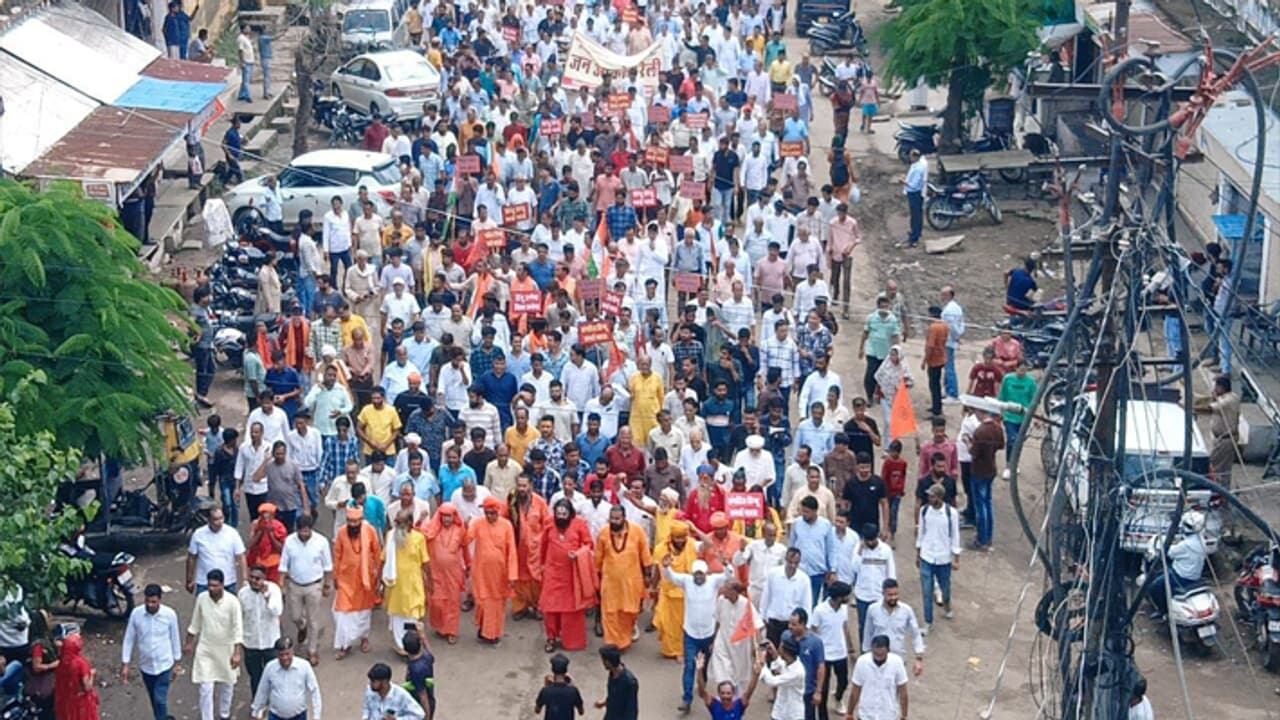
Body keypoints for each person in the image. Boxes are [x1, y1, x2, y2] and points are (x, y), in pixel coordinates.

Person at [662, 557, 733, 713]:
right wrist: (666, 567)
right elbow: (671, 576)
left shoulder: (713, 581)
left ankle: (702, 684)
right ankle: (687, 699)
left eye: (701, 574)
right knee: (690, 666)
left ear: (705, 574)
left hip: (708, 634)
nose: (698, 577)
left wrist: (727, 564)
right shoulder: (687, 581)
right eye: (696, 574)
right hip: (691, 634)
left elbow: (728, 575)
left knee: (705, 666)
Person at [185, 569, 244, 720]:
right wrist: (189, 643)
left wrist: (237, 653)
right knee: (205, 688)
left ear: (223, 585)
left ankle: (224, 714)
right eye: (210, 585)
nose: (212, 589)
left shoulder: (233, 602)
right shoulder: (202, 598)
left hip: (227, 649)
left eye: (215, 586)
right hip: (206, 648)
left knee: (227, 685)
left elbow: (238, 629)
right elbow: (195, 622)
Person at [539, 498, 596, 653]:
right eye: (558, 514)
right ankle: (551, 637)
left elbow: (588, 544)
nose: (561, 517)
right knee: (550, 607)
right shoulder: (549, 523)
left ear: (570, 514)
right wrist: (541, 565)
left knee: (571, 608)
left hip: (572, 574)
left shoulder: (580, 524)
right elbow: (543, 545)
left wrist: (577, 554)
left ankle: (571, 641)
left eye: (564, 514)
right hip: (552, 572)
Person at [594, 505, 653, 651]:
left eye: (617, 519)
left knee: (629, 612)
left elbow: (645, 554)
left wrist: (647, 575)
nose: (614, 522)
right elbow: (598, 558)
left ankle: (624, 640)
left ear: (624, 518)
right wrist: (596, 578)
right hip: (610, 581)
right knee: (610, 613)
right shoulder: (603, 533)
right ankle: (613, 643)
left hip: (631, 581)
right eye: (612, 519)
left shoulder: (637, 531)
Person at [279, 513, 333, 667]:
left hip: (314, 585)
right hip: (295, 584)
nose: (304, 534)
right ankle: (301, 627)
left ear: (311, 529)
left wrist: (328, 584)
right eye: (301, 531)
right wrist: (281, 584)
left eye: (306, 531)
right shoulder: (289, 542)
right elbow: (283, 565)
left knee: (313, 620)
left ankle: (312, 650)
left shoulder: (321, 542)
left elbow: (328, 566)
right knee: (295, 616)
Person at [121, 584, 182, 720]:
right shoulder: (136, 614)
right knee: (154, 700)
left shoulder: (169, 615)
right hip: (146, 666)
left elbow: (175, 638)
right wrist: (125, 663)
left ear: (160, 599)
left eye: (153, 602)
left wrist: (177, 663)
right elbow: (129, 638)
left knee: (160, 699)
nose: (150, 605)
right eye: (147, 601)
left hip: (165, 665)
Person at [467, 495, 518, 644]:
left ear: (498, 511)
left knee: (496, 604)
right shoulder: (477, 524)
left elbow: (512, 551)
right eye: (487, 513)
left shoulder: (506, 525)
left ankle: (493, 634)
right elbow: (466, 540)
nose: (489, 516)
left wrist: (512, 575)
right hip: (481, 572)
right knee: (482, 602)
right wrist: (464, 527)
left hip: (499, 573)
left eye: (492, 513)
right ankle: (483, 629)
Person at [333, 506, 382, 660]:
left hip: (365, 579)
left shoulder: (370, 531)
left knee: (363, 612)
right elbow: (337, 555)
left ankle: (364, 638)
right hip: (345, 580)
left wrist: (378, 575)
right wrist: (335, 577)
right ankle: (344, 645)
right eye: (350, 521)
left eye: (356, 521)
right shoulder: (341, 532)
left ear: (361, 520)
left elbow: (377, 552)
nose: (353, 525)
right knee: (342, 613)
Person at [382, 509, 432, 655]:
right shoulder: (390, 536)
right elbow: (383, 559)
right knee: (397, 615)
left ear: (410, 523)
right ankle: (401, 646)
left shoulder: (419, 538)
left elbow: (426, 562)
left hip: (413, 584)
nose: (396, 525)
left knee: (412, 614)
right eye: (396, 522)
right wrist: (377, 579)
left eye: (400, 522)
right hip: (395, 584)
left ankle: (412, 644)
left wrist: (431, 582)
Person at [1147, 510, 1209, 618]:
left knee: (1154, 587)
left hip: (1181, 576)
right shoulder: (1201, 540)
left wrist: (1159, 545)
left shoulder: (1186, 545)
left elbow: (1169, 552)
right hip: (1195, 575)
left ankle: (1163, 610)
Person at [422, 503, 468, 644]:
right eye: (444, 516)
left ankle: (451, 631)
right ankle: (440, 627)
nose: (446, 519)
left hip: (453, 573)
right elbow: (418, 532)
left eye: (449, 516)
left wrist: (469, 565)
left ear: (454, 517)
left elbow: (465, 547)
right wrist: (419, 519)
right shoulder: (433, 529)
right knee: (436, 602)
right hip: (436, 572)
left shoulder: (460, 529)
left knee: (453, 602)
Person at [916, 483, 961, 630]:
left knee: (945, 588)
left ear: (940, 497)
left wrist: (956, 557)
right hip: (927, 556)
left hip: (943, 557)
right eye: (929, 496)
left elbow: (955, 535)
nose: (930, 498)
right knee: (927, 591)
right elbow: (921, 533)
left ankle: (947, 606)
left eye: (933, 496)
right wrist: (918, 553)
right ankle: (928, 621)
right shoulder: (924, 511)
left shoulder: (951, 514)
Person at [508, 474, 552, 621]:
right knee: (520, 578)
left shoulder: (540, 502)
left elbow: (547, 525)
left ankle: (539, 606)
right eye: (519, 485)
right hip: (518, 547)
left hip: (536, 549)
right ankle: (521, 607)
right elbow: (505, 520)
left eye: (524, 486)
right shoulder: (512, 502)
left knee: (537, 579)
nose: (521, 489)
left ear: (530, 486)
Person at [653, 520, 699, 659]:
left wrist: (695, 530)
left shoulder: (691, 544)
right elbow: (657, 569)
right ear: (671, 536)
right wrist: (653, 586)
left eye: (682, 537)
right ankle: (671, 650)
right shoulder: (661, 549)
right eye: (677, 537)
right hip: (668, 593)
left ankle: (682, 651)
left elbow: (708, 545)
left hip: (687, 593)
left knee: (684, 624)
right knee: (667, 624)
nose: (680, 541)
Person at [810, 582, 854, 720]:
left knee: (844, 681)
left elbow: (845, 627)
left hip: (840, 652)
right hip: (825, 655)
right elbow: (814, 631)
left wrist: (850, 648)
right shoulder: (820, 610)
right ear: (839, 597)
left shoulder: (843, 609)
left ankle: (838, 697)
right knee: (823, 687)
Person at [239, 564, 284, 698]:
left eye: (258, 578)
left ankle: (275, 701)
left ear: (264, 579)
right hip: (250, 642)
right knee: (255, 676)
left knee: (274, 675)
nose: (254, 581)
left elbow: (276, 611)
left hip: (270, 642)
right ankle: (258, 704)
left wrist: (266, 595)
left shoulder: (274, 590)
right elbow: (239, 617)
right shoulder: (243, 593)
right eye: (251, 577)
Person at [250, 637, 321, 720]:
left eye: (287, 654)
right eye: (281, 655)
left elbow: (315, 691)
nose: (285, 658)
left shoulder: (304, 666)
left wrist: (317, 716)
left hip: (299, 717)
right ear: (277, 654)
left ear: (292, 652)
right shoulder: (270, 668)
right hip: (275, 716)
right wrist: (255, 710)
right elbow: (262, 690)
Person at [187, 508, 248, 595]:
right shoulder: (198, 534)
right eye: (216, 519)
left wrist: (245, 579)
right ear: (209, 520)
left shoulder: (232, 533)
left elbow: (241, 556)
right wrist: (189, 580)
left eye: (221, 518)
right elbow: (192, 557)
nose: (219, 522)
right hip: (204, 582)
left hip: (228, 581)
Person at [1195, 374, 1240, 491]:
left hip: (1226, 439)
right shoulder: (1224, 398)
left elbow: (1209, 408)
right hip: (1220, 439)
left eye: (1216, 387)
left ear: (1222, 387)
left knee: (1214, 466)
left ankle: (1218, 492)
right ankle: (1223, 493)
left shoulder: (1230, 400)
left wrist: (1191, 408)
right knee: (1223, 469)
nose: (1214, 390)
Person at [848, 635, 909, 720]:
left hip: (888, 716)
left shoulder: (897, 663)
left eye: (881, 655)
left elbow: (903, 691)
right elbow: (855, 690)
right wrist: (849, 713)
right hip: (866, 715)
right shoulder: (862, 662)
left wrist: (904, 715)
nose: (878, 657)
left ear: (888, 650)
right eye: (876, 654)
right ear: (872, 649)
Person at [969, 409, 1004, 551]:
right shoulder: (997, 429)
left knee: (980, 506)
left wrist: (968, 444)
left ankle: (981, 539)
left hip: (979, 471)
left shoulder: (979, 432)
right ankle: (988, 538)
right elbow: (1001, 445)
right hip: (991, 469)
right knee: (988, 504)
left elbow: (974, 454)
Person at [758, 637, 806, 720]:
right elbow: (780, 666)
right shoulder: (790, 662)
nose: (778, 648)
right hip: (779, 711)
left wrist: (762, 664)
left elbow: (772, 681)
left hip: (793, 715)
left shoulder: (797, 672)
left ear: (786, 651)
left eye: (780, 647)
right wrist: (774, 654)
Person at [53, 632, 98, 720]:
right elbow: (87, 687)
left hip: (65, 700)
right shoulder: (81, 664)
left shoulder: (62, 661)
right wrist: (92, 674)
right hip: (79, 703)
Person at [996, 360, 1035, 462]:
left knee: (1019, 441)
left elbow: (1034, 400)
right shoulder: (1008, 379)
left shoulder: (1031, 382)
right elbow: (1002, 396)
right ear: (1016, 368)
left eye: (1024, 370)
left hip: (1023, 417)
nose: (1022, 373)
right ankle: (1009, 463)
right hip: (1009, 416)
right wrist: (1000, 412)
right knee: (1011, 439)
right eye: (1020, 370)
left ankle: (1015, 463)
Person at [596, 645, 639, 720]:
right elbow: (613, 696)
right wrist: (604, 703)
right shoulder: (612, 674)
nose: (602, 663)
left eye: (603, 661)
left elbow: (631, 709)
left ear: (607, 662)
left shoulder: (629, 682)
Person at [536, 653, 584, 720]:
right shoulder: (573, 691)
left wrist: (547, 687)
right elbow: (581, 712)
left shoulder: (546, 691)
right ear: (566, 670)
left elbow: (537, 710)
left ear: (552, 669)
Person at [402, 630, 435, 717]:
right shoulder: (427, 657)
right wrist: (423, 636)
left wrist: (426, 715)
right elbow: (430, 653)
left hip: (418, 704)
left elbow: (423, 696)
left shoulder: (416, 669)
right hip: (429, 698)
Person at [902, 149, 927, 247]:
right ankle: (916, 233)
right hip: (916, 193)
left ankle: (914, 237)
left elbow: (914, 185)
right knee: (917, 214)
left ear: (915, 157)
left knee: (915, 215)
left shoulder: (918, 169)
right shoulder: (916, 165)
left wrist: (903, 181)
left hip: (914, 193)